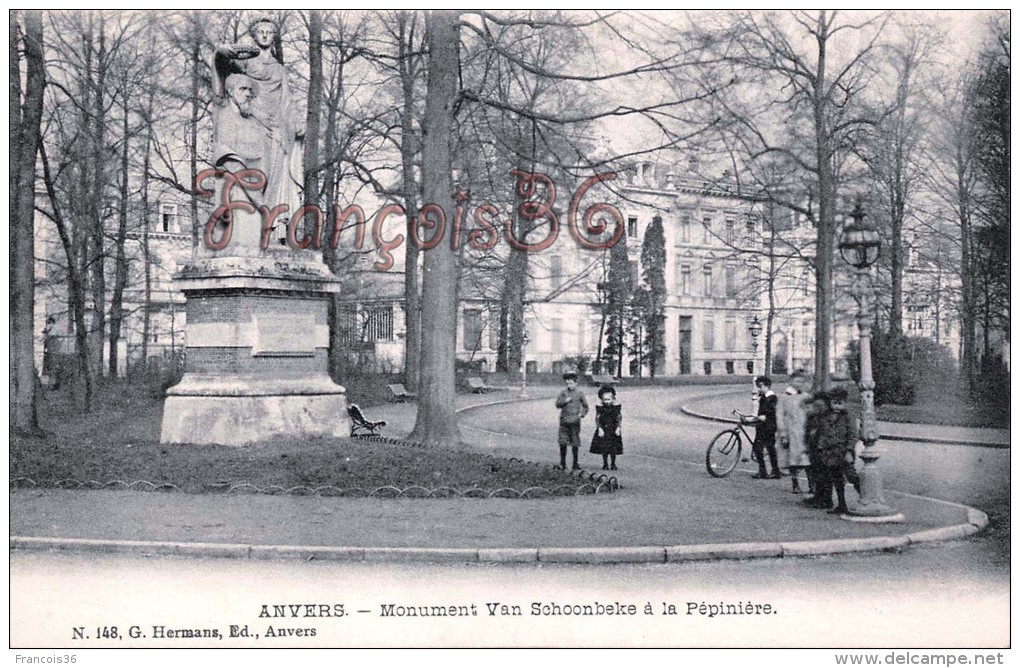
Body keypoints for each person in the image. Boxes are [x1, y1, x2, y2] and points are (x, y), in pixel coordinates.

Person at [214, 14, 303, 212]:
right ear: (254, 36)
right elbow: (223, 68)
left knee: (275, 176)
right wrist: (221, 52)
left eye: (269, 32)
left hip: (277, 125)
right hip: (253, 119)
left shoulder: (280, 70)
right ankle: (251, 218)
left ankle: (271, 225)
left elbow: (287, 99)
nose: (264, 35)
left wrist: (296, 122)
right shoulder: (247, 63)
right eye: (260, 32)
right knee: (255, 171)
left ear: (273, 36)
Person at [803, 387, 855, 514]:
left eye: (840, 403)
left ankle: (863, 498)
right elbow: (822, 433)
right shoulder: (826, 416)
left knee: (850, 476)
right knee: (835, 478)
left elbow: (852, 434)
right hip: (828, 452)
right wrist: (820, 448)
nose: (837, 406)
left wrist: (849, 450)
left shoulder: (848, 416)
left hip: (842, 451)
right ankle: (841, 504)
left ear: (845, 403)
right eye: (834, 403)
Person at [777, 370, 811, 493]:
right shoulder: (784, 396)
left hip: (804, 431)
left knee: (807, 459)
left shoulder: (806, 396)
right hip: (791, 431)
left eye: (802, 381)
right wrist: (783, 433)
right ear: (791, 381)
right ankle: (795, 482)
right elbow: (779, 415)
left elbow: (809, 412)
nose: (799, 383)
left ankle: (811, 484)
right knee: (793, 459)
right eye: (797, 380)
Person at [555, 372, 589, 470]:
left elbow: (586, 406)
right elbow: (557, 404)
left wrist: (581, 414)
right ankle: (563, 463)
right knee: (563, 442)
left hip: (575, 421)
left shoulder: (580, 393)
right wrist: (564, 401)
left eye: (571, 383)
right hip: (564, 421)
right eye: (567, 384)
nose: (569, 385)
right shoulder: (563, 393)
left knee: (575, 442)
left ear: (575, 383)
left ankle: (575, 463)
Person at [749, 375, 780, 479]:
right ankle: (765, 471)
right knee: (760, 448)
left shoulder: (772, 397)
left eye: (760, 386)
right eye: (757, 386)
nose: (758, 388)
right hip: (762, 426)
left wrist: (765, 418)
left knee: (768, 449)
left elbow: (773, 412)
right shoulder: (763, 397)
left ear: (767, 386)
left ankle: (774, 471)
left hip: (769, 426)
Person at [589, 385, 623, 470]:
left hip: (613, 429)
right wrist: (599, 428)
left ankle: (613, 463)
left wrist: (618, 428)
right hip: (604, 429)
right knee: (604, 447)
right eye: (605, 400)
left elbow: (619, 418)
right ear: (602, 400)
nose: (607, 401)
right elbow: (597, 419)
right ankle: (605, 463)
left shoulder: (616, 408)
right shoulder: (600, 408)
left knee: (613, 447)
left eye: (609, 399)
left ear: (613, 399)